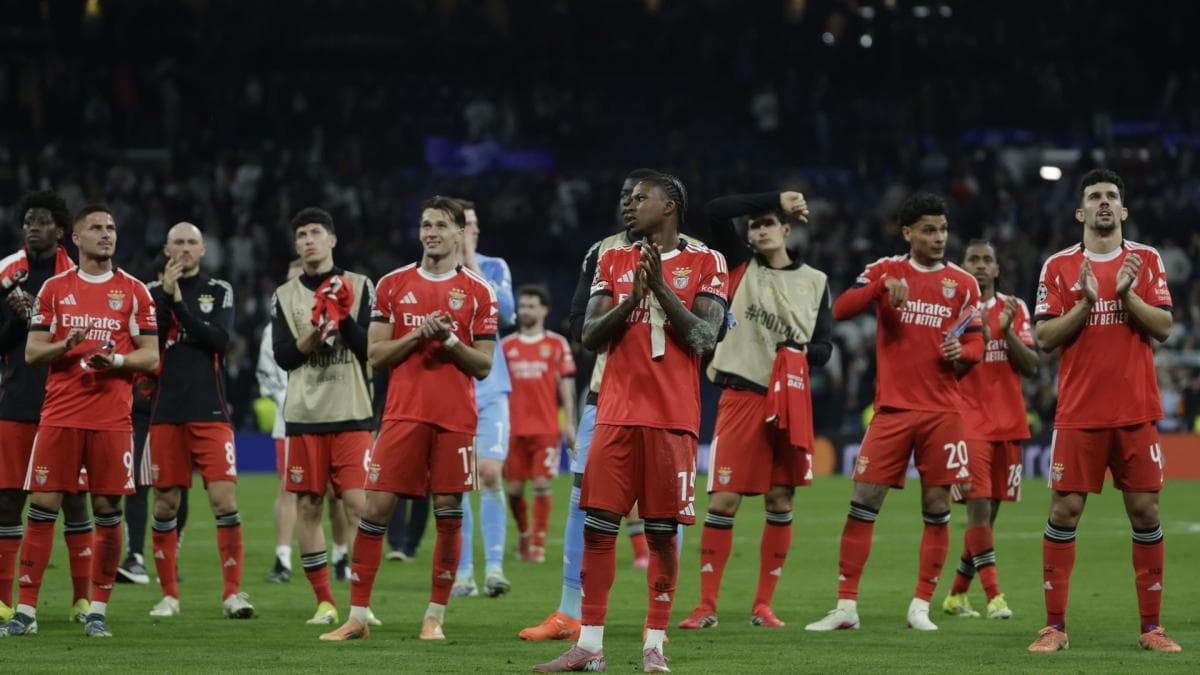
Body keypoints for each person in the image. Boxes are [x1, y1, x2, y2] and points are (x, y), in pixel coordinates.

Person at [536, 173, 728, 672]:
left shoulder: (708, 261)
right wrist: (630, 299)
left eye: (641, 198)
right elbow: (591, 335)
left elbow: (705, 336)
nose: (629, 205)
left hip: (671, 420)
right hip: (615, 413)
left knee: (662, 535)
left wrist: (662, 290)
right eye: (627, 198)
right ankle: (590, 645)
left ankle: (654, 646)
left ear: (670, 207)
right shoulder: (612, 258)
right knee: (599, 529)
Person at [321, 196, 497, 641]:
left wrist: (451, 341)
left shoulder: (479, 291)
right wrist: (420, 333)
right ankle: (357, 617)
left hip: (455, 419)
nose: (431, 232)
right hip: (402, 415)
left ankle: (434, 615)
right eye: (425, 225)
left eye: (440, 225)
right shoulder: (393, 285)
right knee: (375, 510)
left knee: (449, 511)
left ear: (460, 232)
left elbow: (483, 365)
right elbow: (375, 355)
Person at [804, 192, 982, 633]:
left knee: (938, 504)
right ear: (908, 233)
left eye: (943, 229)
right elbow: (841, 309)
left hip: (943, 410)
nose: (939, 237)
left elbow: (976, 341)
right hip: (892, 410)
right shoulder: (886, 270)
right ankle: (846, 607)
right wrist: (879, 288)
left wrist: (964, 351)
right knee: (863, 499)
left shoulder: (963, 283)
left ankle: (920, 604)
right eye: (928, 229)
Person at [1027, 170, 1181, 653]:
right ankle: (1054, 626)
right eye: (1094, 197)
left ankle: (1152, 628)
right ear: (1081, 212)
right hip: (1079, 412)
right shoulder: (1058, 266)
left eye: (1113, 196)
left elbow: (1165, 328)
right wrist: (1086, 303)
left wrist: (1127, 295)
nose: (1105, 203)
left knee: (1145, 511)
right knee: (1064, 511)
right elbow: (1045, 339)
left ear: (1124, 209)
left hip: (1136, 410)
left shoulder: (1146, 259)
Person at [0, 204, 159, 638]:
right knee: (43, 506)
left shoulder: (134, 291)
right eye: (96, 228)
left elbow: (152, 356)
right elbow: (33, 353)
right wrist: (65, 345)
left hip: (112, 422)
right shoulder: (54, 289)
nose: (106, 234)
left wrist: (119, 359)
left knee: (108, 510)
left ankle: (97, 611)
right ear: (76, 237)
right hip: (59, 417)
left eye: (111, 227)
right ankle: (26, 612)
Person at [679, 188, 830, 630]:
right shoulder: (737, 265)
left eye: (769, 223)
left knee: (780, 498)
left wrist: (802, 353)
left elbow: (824, 346)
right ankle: (706, 606)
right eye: (755, 225)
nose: (760, 229)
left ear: (786, 229)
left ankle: (763, 606)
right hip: (740, 394)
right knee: (723, 501)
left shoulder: (816, 282)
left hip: (788, 398)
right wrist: (773, 199)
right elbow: (712, 209)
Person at [141, 222, 253, 619]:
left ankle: (232, 594)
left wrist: (178, 304)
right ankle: (169, 596)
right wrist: (166, 299)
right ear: (167, 249)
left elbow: (219, 340)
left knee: (224, 501)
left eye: (191, 242)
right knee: (166, 505)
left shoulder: (218, 290)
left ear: (204, 249)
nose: (185, 249)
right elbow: (144, 344)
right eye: (178, 243)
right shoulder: (148, 294)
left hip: (210, 412)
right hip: (166, 412)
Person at [271, 207, 376, 627]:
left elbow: (370, 348)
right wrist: (315, 334)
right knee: (309, 507)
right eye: (302, 235)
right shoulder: (284, 295)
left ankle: (361, 603)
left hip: (351, 411)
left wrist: (343, 317)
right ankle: (324, 602)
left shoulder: (360, 285)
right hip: (305, 415)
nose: (308, 240)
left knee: (358, 506)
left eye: (316, 232)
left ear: (333, 240)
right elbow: (283, 357)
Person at [0, 191, 93, 624]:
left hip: (67, 402)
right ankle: (4, 599)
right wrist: (15, 319)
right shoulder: (5, 273)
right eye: (26, 221)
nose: (31, 228)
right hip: (17, 398)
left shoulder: (76, 277)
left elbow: (85, 341)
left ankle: (81, 599)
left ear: (60, 230)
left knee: (74, 500)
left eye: (41, 221)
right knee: (7, 499)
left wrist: (41, 319)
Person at [941, 239, 1037, 621]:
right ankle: (995, 597)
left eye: (987, 260)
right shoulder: (953, 312)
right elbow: (945, 369)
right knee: (978, 512)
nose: (981, 266)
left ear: (997, 269)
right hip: (967, 423)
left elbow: (1030, 366)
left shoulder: (1017, 308)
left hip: (1009, 423)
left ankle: (956, 596)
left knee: (989, 517)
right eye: (973, 260)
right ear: (962, 267)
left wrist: (1007, 331)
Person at [451, 198, 516, 597]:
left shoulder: (493, 266)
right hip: (451, 388)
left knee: (489, 472)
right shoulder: (433, 274)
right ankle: (463, 573)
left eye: (474, 224)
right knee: (456, 482)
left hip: (490, 385)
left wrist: (472, 261)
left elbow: (506, 313)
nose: (472, 230)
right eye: (465, 225)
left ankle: (494, 568)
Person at [118, 255, 188, 587]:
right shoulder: (143, 305)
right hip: (143, 410)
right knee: (136, 483)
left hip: (177, 410)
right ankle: (135, 556)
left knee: (177, 486)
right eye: (163, 276)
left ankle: (170, 554)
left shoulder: (189, 307)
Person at [501, 284, 576, 567]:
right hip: (513, 428)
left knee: (543, 484)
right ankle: (524, 534)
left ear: (544, 310)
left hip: (546, 428)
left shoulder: (557, 344)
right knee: (514, 491)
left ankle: (539, 544)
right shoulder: (506, 347)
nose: (526, 311)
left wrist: (569, 423)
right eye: (523, 306)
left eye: (532, 306)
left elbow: (565, 388)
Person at [260, 260, 303, 583]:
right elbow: (267, 376)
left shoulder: (335, 322)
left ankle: (343, 557)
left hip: (331, 416)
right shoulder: (273, 328)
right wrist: (287, 401)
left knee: (338, 494)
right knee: (288, 488)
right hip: (289, 421)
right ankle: (283, 559)